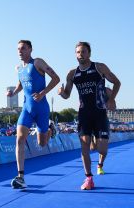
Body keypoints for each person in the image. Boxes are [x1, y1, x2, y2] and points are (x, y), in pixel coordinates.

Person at [58, 42, 121, 190]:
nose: (81, 55)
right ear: (75, 54)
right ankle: (89, 179)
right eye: (78, 52)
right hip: (84, 114)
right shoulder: (72, 74)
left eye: (83, 52)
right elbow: (67, 95)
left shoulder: (99, 67)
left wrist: (111, 100)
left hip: (100, 113)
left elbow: (117, 82)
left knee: (102, 150)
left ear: (89, 53)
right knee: (84, 147)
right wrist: (62, 93)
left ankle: (100, 162)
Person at [7, 40, 60, 189]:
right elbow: (21, 84)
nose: (20, 51)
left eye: (23, 48)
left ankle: (50, 129)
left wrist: (43, 93)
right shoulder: (18, 68)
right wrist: (13, 93)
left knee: (42, 144)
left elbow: (56, 78)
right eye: (18, 49)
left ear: (30, 49)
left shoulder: (38, 62)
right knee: (19, 139)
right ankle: (21, 176)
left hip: (41, 108)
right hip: (27, 109)